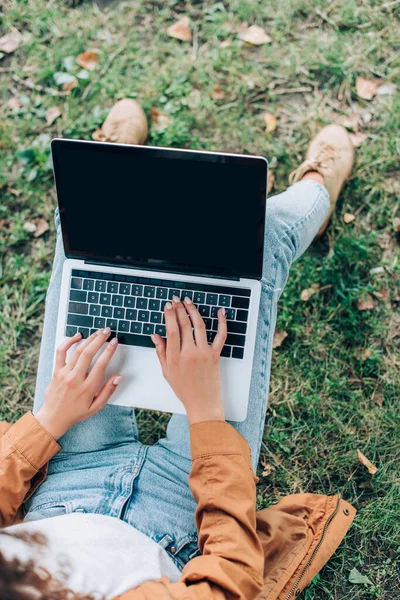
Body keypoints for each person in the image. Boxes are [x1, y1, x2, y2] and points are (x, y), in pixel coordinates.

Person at [0, 112, 356, 600]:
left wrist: (47, 421)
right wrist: (206, 410)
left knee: (84, 237)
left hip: (65, 470)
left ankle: (112, 172)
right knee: (264, 239)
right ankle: (316, 188)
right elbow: (232, 576)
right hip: (179, 512)